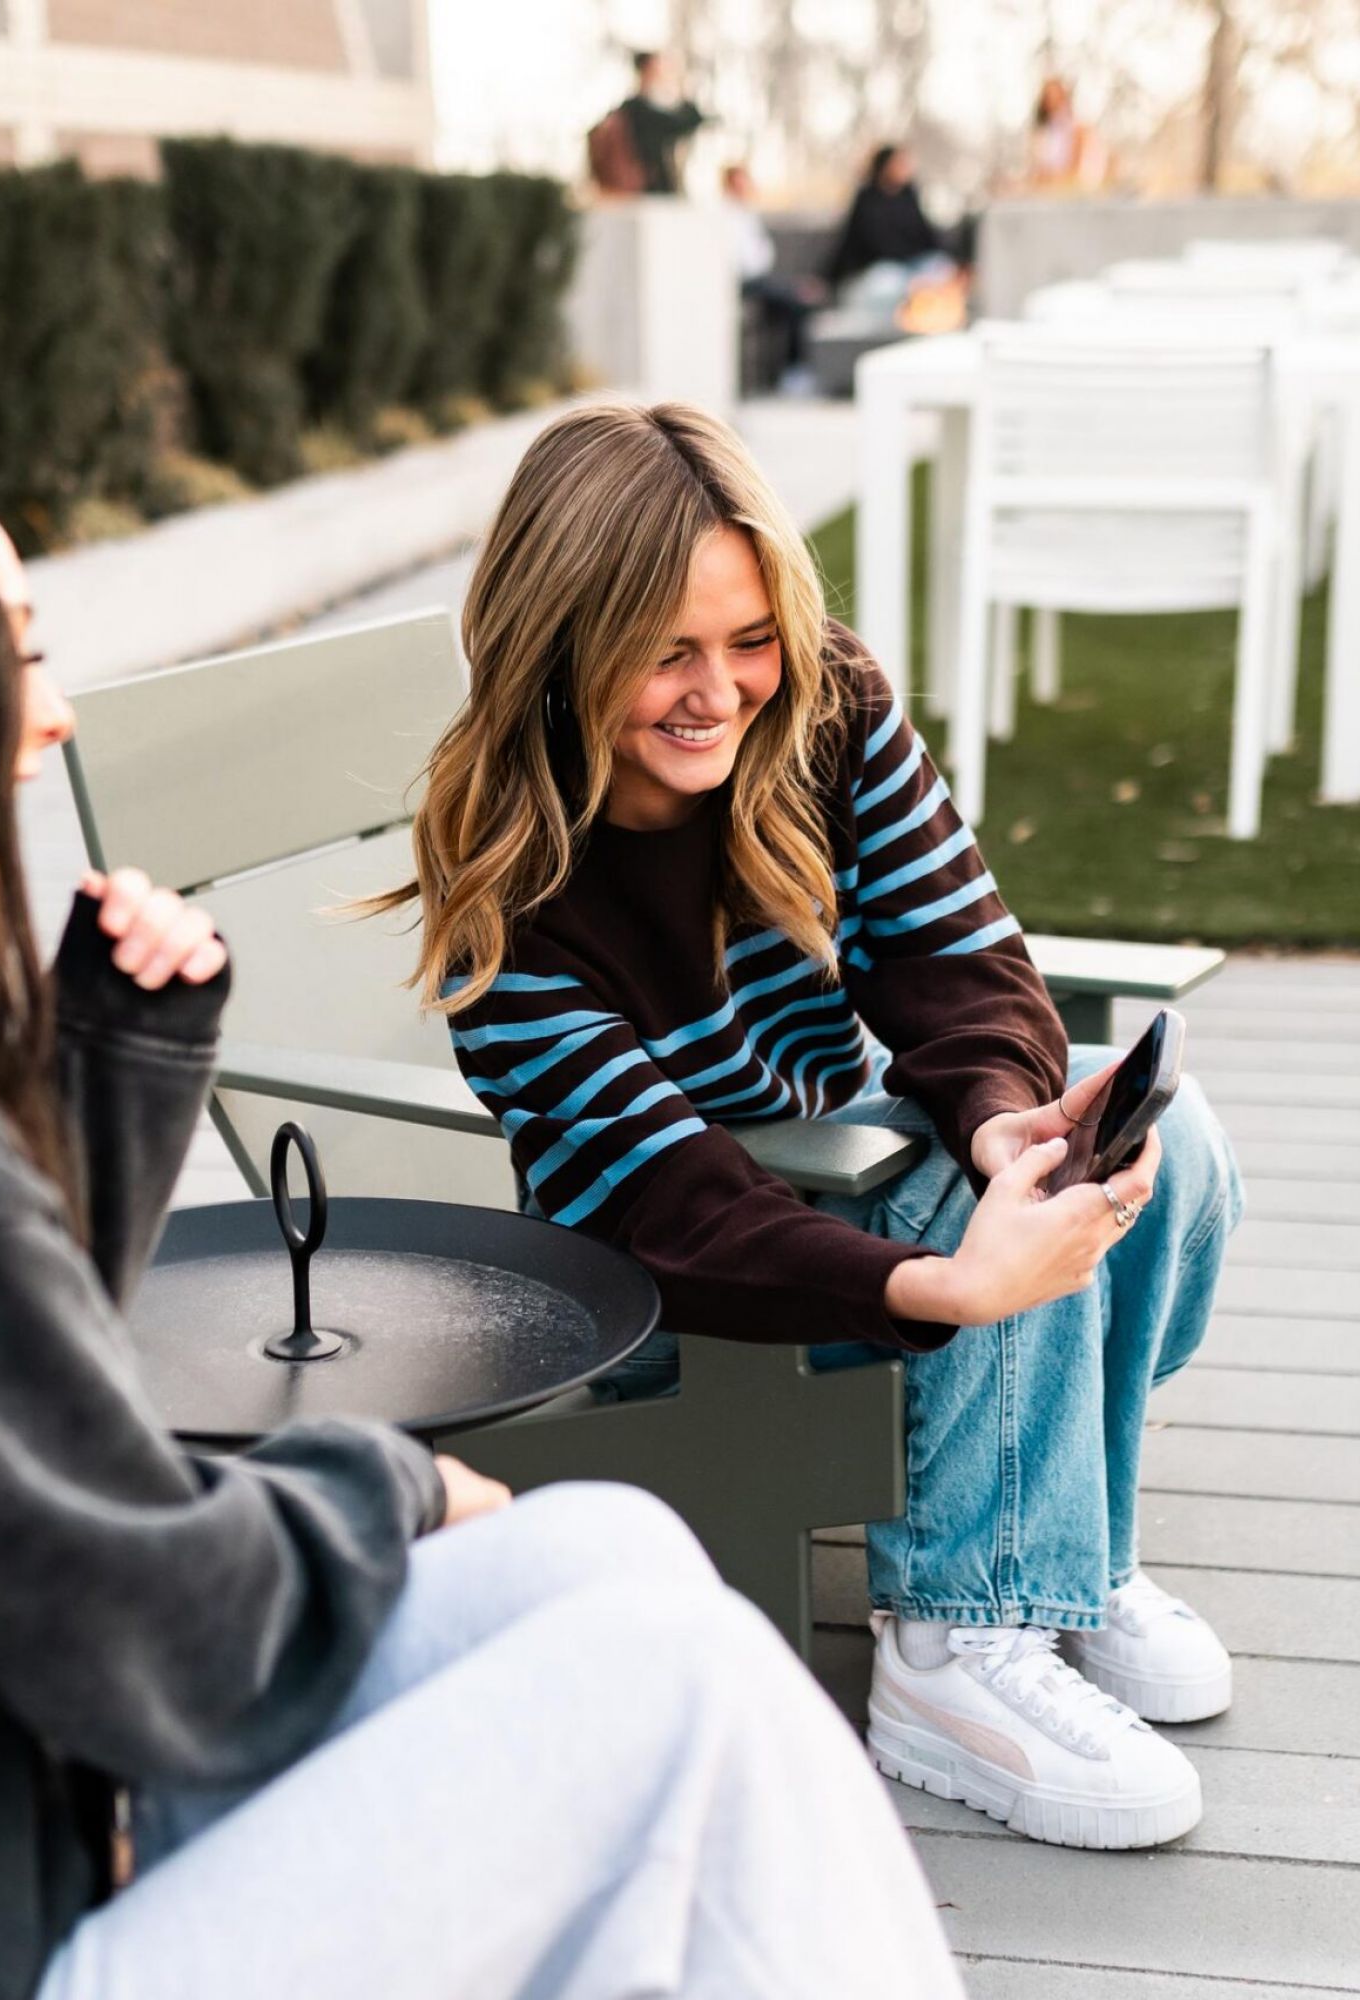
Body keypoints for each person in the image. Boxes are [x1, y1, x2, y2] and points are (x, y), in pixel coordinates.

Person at [0, 411, 965, 2000]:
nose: (48, 716)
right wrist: (386, 1487)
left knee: (611, 1556)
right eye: (14, 655)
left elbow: (5, 1407)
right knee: (679, 1689)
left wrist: (111, 1076)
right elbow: (140, 1615)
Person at [373, 401, 1245, 1854]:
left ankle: (1062, 1560)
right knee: (965, 1218)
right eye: (666, 651)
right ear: (561, 642)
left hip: (826, 1169)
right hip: (667, 1282)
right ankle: (953, 1655)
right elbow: (671, 1209)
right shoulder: (514, 888)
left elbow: (958, 957)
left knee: (1165, 1133)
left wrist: (1007, 1123)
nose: (722, 691)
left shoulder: (824, 699)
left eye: (749, 635)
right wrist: (947, 1281)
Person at [827, 143, 965, 330]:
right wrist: (827, 278)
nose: (906, 168)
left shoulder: (910, 196)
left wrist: (951, 260)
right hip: (885, 267)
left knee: (940, 267)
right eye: (899, 163)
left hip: (914, 265)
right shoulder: (867, 199)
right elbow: (853, 242)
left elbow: (926, 235)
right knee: (888, 282)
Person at [722, 163, 825, 396]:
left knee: (796, 296)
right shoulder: (725, 216)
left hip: (759, 278)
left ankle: (794, 368)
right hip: (743, 282)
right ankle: (795, 371)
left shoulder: (746, 215)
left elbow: (763, 256)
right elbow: (746, 261)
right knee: (796, 299)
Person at [610, 49, 707, 197]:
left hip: (649, 185)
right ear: (646, 69)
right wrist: (681, 87)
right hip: (645, 186)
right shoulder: (638, 109)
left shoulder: (635, 107)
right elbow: (685, 122)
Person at [1028, 76, 1112, 192]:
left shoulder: (1077, 128)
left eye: (1055, 96)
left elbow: (1075, 167)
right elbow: (1040, 169)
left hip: (1071, 188)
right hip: (1051, 188)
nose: (1052, 101)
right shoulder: (1043, 132)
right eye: (1048, 97)